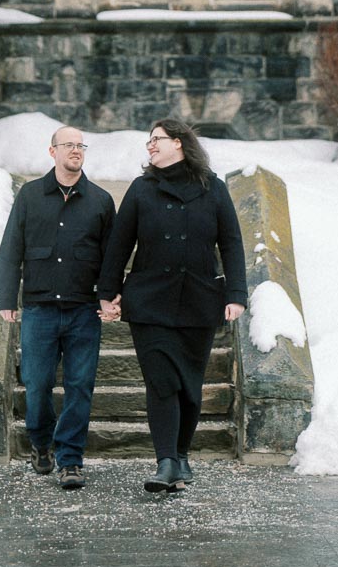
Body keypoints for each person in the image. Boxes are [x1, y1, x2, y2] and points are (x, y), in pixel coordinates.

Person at [98, 119, 247, 493]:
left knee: (190, 387)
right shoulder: (141, 189)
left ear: (179, 143)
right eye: (148, 140)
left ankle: (181, 456)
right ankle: (165, 461)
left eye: (157, 139)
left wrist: (236, 295)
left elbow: (231, 243)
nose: (150, 145)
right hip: (149, 300)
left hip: (198, 299)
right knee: (161, 381)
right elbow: (119, 244)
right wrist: (108, 292)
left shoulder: (212, 187)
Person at [0, 125, 116, 490]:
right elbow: (11, 249)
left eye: (81, 145)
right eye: (68, 145)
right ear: (52, 152)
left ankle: (70, 459)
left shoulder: (100, 201)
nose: (76, 151)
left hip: (83, 311)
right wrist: (6, 300)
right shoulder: (30, 196)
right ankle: (41, 442)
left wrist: (109, 297)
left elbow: (112, 257)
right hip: (39, 309)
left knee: (80, 386)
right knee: (37, 385)